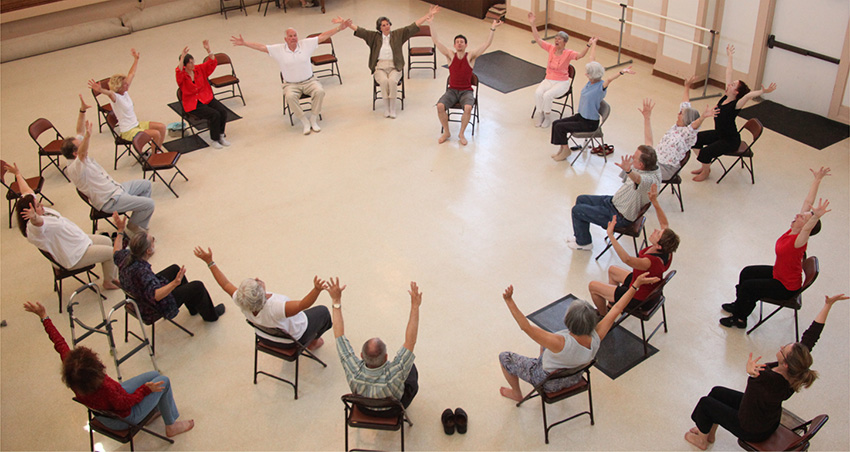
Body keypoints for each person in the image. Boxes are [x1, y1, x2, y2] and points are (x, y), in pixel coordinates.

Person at [685, 293, 847, 450]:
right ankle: (710, 434)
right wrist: (827, 305)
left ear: (786, 364)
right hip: (766, 419)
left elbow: (755, 382)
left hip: (750, 428)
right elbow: (811, 336)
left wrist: (751, 373)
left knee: (705, 404)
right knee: (717, 392)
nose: (781, 347)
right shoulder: (795, 372)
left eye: (783, 350)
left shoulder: (765, 379)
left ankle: (702, 441)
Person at [24, 300, 194, 437]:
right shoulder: (106, 388)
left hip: (105, 412)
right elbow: (126, 403)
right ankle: (171, 425)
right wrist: (145, 390)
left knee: (153, 374)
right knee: (163, 381)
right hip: (123, 418)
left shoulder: (74, 374)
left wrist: (44, 317)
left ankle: (155, 409)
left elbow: (59, 343)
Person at [498, 273, 659, 401]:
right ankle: (543, 363)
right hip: (574, 377)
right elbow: (617, 308)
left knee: (505, 357)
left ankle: (516, 393)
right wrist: (635, 285)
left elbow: (525, 327)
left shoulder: (559, 342)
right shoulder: (597, 336)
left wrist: (509, 300)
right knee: (544, 343)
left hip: (548, 383)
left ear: (568, 321)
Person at [720, 168, 830, 328]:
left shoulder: (799, 240)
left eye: (803, 217)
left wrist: (816, 217)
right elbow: (808, 202)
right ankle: (740, 304)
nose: (799, 215)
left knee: (749, 287)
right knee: (747, 272)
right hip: (779, 273)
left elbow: (808, 228)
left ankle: (739, 318)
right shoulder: (794, 229)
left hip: (785, 287)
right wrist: (817, 180)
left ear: (807, 226)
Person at [6, 161, 119, 290]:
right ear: (30, 213)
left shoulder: (36, 208)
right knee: (112, 253)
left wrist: (17, 174)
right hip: (73, 255)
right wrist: (34, 217)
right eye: (37, 206)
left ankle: (110, 274)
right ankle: (109, 282)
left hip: (76, 241)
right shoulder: (33, 228)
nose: (41, 205)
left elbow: (26, 191)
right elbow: (38, 223)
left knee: (107, 241)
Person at [193, 246, 331, 349]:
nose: (257, 278)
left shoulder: (241, 300)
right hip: (291, 342)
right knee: (323, 312)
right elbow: (303, 305)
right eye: (257, 282)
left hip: (266, 339)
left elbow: (225, 284)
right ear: (262, 295)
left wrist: (210, 262)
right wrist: (316, 290)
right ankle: (313, 342)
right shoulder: (275, 307)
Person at [230, 18, 352, 135]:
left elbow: (322, 36)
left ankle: (313, 119)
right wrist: (245, 43)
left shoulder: (306, 44)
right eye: (290, 36)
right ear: (286, 39)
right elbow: (262, 47)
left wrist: (339, 28)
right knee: (290, 97)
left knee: (320, 91)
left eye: (295, 35)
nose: (293, 38)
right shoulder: (279, 49)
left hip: (309, 81)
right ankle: (304, 121)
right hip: (291, 84)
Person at [62, 97, 155, 236]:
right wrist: (88, 137)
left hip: (117, 188)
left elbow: (79, 131)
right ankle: (136, 227)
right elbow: (82, 152)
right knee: (149, 204)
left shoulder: (77, 156)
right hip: (110, 201)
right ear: (75, 153)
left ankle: (135, 221)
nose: (84, 144)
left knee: (146, 185)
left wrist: (82, 111)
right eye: (81, 145)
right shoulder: (75, 168)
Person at [330, 277, 421, 416]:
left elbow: (339, 336)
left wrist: (336, 301)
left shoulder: (353, 370)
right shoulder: (396, 372)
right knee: (411, 368)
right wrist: (415, 306)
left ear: (362, 356)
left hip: (363, 409)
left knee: (408, 365)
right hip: (392, 410)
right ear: (386, 357)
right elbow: (410, 341)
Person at [587, 184, 679, 315]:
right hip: (645, 285)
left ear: (659, 246)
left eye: (658, 234)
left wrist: (611, 235)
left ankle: (603, 316)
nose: (655, 230)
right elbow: (664, 224)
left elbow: (627, 259)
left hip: (638, 297)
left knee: (593, 287)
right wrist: (654, 201)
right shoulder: (667, 249)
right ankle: (612, 306)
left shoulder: (649, 261)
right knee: (612, 270)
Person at [114, 216, 224, 323]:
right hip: (153, 307)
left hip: (138, 297)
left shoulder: (125, 256)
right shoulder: (142, 272)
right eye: (153, 240)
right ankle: (211, 316)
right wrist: (175, 283)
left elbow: (116, 251)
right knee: (197, 286)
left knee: (174, 269)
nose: (154, 243)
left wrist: (120, 230)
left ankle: (193, 307)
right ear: (148, 250)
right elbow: (156, 296)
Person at [690, 44, 777, 182]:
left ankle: (705, 171)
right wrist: (730, 56)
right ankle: (705, 165)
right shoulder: (726, 95)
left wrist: (763, 91)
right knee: (693, 139)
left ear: (736, 92)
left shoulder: (736, 104)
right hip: (719, 134)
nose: (729, 84)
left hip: (730, 140)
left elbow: (748, 96)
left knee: (706, 151)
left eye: (733, 84)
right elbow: (729, 72)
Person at [340, 5, 440, 118]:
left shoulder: (398, 34)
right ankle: (386, 108)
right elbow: (361, 31)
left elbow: (412, 27)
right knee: (384, 82)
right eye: (383, 25)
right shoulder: (374, 37)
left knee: (392, 81)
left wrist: (427, 15)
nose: (386, 26)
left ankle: (392, 108)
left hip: (395, 66)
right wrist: (347, 24)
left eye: (387, 24)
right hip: (380, 66)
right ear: (379, 28)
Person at [550, 41, 634, 161]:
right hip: (581, 116)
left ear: (592, 75)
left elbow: (610, 79)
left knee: (560, 127)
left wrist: (621, 72)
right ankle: (562, 149)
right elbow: (592, 59)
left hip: (589, 123)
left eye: (588, 73)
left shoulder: (600, 87)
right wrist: (593, 44)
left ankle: (566, 150)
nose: (585, 74)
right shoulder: (590, 82)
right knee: (556, 123)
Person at [568, 145, 661, 250]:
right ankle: (581, 237)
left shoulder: (649, 181)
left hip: (619, 217)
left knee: (577, 211)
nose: (631, 157)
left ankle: (584, 244)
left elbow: (638, 179)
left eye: (634, 157)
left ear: (641, 165)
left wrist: (628, 171)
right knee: (581, 199)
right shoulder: (653, 166)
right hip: (614, 202)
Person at [431, 17, 503, 145]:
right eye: (457, 42)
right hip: (452, 91)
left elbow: (487, 44)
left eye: (462, 42)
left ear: (466, 45)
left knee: (468, 108)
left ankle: (461, 133)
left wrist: (493, 28)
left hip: (466, 91)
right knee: (440, 106)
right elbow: (436, 41)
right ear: (454, 45)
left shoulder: (470, 56)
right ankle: (446, 132)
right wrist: (431, 23)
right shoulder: (450, 55)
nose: (459, 44)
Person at [640, 78, 718, 180]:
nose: (678, 113)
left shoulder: (687, 133)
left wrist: (702, 117)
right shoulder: (676, 127)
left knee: (637, 172)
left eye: (681, 113)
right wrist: (687, 86)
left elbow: (694, 126)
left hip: (667, 169)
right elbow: (685, 103)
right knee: (633, 165)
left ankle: (637, 188)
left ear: (686, 119)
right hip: (656, 162)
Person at [87, 48, 166, 149]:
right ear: (119, 87)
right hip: (128, 131)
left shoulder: (124, 91)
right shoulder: (116, 97)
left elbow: (131, 74)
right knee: (156, 134)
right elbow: (108, 93)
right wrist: (100, 90)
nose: (127, 84)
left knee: (162, 127)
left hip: (136, 124)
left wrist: (136, 60)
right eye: (125, 84)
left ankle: (156, 151)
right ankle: (154, 156)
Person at [527, 12, 595, 128]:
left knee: (547, 95)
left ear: (565, 42)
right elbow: (537, 39)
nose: (556, 41)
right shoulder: (551, 48)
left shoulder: (568, 53)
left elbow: (580, 55)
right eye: (556, 38)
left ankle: (547, 117)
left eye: (560, 39)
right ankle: (540, 114)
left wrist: (588, 45)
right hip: (549, 79)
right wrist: (533, 24)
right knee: (538, 93)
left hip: (562, 82)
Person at [176, 40, 231, 149]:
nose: (193, 64)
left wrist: (208, 50)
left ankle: (221, 135)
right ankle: (214, 139)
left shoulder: (199, 69)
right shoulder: (182, 76)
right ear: (185, 65)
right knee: (214, 114)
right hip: (193, 103)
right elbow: (179, 71)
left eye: (193, 62)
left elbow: (212, 63)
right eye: (190, 63)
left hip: (206, 97)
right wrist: (182, 58)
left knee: (222, 111)